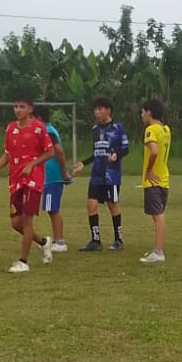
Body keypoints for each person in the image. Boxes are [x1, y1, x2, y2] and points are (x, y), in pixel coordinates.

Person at [0, 95, 55, 272]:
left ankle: (23, 262)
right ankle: (44, 242)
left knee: (27, 220)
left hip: (33, 180)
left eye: (21, 106)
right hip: (15, 180)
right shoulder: (10, 129)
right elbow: (8, 154)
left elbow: (50, 152)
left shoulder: (38, 128)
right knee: (16, 223)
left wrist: (32, 164)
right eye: (15, 106)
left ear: (30, 109)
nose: (17, 110)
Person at [71, 97, 128, 250]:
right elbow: (96, 152)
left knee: (112, 204)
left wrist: (116, 155)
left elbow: (126, 148)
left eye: (100, 109)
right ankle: (95, 240)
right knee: (91, 204)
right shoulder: (95, 129)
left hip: (111, 175)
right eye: (95, 109)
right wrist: (84, 163)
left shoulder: (118, 128)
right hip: (96, 175)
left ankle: (118, 240)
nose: (97, 112)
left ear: (108, 110)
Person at [33, 106, 71, 251]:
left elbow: (59, 151)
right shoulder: (46, 131)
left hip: (53, 177)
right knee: (51, 209)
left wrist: (64, 173)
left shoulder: (48, 131)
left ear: (39, 118)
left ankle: (60, 241)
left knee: (53, 209)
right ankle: (56, 239)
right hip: (48, 177)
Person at [139, 98, 171, 264]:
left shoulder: (150, 130)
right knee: (158, 214)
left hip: (153, 180)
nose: (141, 115)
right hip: (164, 178)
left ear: (149, 112)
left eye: (143, 112)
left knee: (157, 216)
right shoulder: (165, 129)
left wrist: (149, 170)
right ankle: (157, 249)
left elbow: (153, 151)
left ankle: (158, 252)